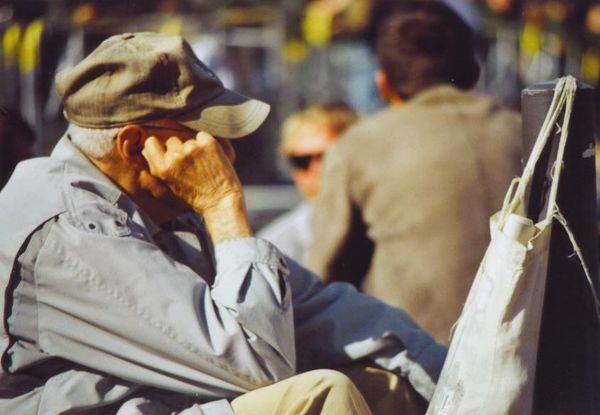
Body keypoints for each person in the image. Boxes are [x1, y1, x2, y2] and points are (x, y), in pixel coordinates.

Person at [0, 32, 445, 414]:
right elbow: (255, 368)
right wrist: (221, 203)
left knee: (385, 389)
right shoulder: (70, 229)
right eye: (206, 135)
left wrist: (453, 375)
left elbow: (316, 305)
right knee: (322, 397)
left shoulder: (156, 207)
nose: (226, 156)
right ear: (135, 146)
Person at [307, 1, 522, 345]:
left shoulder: (359, 146)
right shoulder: (526, 130)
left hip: (422, 367)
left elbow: (323, 276)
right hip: (532, 355)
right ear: (472, 72)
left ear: (383, 83)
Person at [258, 103, 359, 265]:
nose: (316, 169)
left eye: (327, 157)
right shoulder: (274, 250)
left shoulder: (392, 229)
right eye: (301, 161)